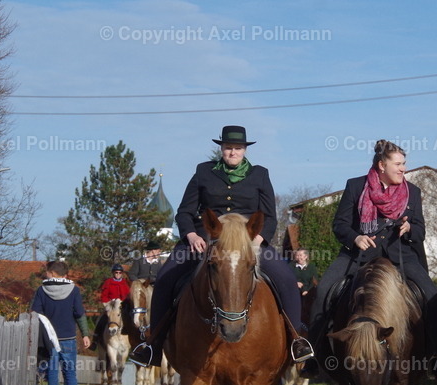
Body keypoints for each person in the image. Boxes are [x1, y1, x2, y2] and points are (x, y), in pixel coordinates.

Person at [129, 125, 314, 367]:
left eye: (238, 148)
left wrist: (258, 240)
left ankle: (296, 340)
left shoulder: (260, 174)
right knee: (164, 277)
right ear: (222, 149)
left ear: (245, 150)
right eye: (228, 148)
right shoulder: (203, 172)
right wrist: (192, 236)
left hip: (248, 241)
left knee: (287, 280)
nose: (233, 152)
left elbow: (269, 216)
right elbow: (184, 212)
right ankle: (153, 344)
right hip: (207, 239)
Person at [308, 139, 437, 375]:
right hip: (359, 255)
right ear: (382, 165)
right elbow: (340, 224)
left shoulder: (412, 192)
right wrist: (355, 237)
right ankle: (313, 354)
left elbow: (420, 229)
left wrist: (410, 229)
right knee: (323, 290)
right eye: (398, 164)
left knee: (431, 294)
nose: (403, 168)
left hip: (400, 255)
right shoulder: (355, 186)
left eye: (404, 164)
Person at [31, 260, 91, 385]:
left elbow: (35, 313)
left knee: (52, 372)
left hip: (50, 339)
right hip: (68, 338)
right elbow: (79, 313)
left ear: (51, 273)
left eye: (47, 272)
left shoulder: (42, 290)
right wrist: (85, 334)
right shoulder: (74, 290)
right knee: (70, 373)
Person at [92, 264, 130, 349]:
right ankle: (95, 339)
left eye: (120, 272)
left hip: (122, 307)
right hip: (110, 306)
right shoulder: (108, 282)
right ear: (113, 273)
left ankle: (136, 342)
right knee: (102, 319)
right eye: (116, 272)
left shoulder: (125, 283)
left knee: (131, 320)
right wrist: (107, 304)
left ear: (122, 273)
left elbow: (127, 295)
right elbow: (104, 295)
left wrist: (123, 303)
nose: (118, 274)